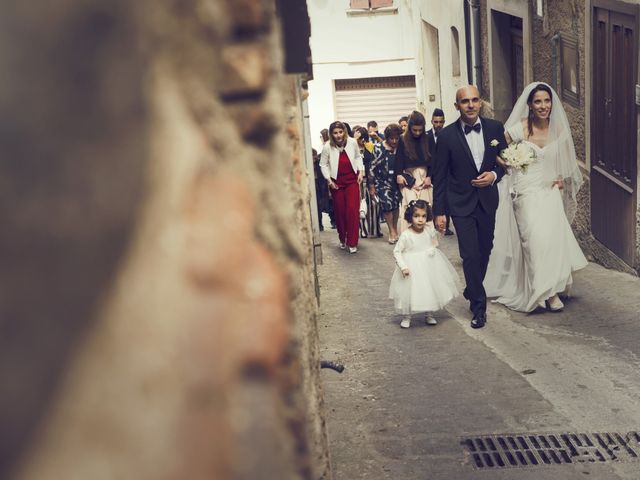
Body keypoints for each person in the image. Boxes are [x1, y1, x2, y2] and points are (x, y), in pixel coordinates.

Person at [484, 82, 587, 312]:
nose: (543, 106)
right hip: (525, 191)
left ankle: (550, 288)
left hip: (548, 191)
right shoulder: (520, 129)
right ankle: (545, 293)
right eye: (538, 101)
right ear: (530, 105)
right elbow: (495, 149)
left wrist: (560, 177)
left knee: (551, 241)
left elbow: (562, 159)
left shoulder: (558, 129)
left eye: (547, 101)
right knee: (534, 241)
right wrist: (508, 163)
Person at [433, 85, 507, 329]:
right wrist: (439, 212)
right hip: (460, 204)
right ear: (457, 106)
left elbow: (505, 163)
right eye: (465, 101)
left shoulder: (495, 129)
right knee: (470, 255)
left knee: (485, 250)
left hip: (487, 201)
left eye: (475, 100)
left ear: (480, 103)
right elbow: (440, 177)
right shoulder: (445, 137)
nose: (471, 105)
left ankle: (472, 287)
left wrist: (493, 177)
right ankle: (478, 307)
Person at [389, 200, 460, 328]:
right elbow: (397, 251)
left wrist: (439, 233)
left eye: (423, 216)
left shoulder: (428, 230)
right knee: (410, 291)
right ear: (410, 217)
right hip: (411, 267)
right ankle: (407, 316)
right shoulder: (406, 235)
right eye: (416, 216)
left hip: (428, 265)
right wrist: (403, 266)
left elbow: (433, 240)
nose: (420, 220)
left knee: (429, 288)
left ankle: (429, 314)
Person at [320, 121, 365, 253]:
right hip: (336, 183)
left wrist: (360, 172)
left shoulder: (352, 142)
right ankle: (342, 238)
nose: (338, 135)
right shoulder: (327, 147)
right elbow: (323, 164)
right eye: (335, 133)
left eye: (340, 132)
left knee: (352, 210)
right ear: (331, 134)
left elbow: (358, 157)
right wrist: (328, 180)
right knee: (340, 212)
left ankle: (352, 241)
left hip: (352, 180)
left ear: (344, 132)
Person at [395, 111, 433, 233]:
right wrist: (399, 175)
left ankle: (427, 241)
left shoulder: (428, 138)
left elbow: (434, 160)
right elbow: (398, 159)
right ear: (409, 127)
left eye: (420, 130)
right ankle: (409, 240)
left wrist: (430, 176)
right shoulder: (402, 139)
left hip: (424, 178)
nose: (417, 133)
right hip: (409, 179)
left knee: (426, 210)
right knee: (409, 210)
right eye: (414, 130)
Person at [369, 123, 403, 244]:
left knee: (395, 205)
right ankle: (392, 231)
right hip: (382, 182)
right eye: (391, 138)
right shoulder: (378, 148)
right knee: (387, 206)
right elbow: (372, 168)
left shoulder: (401, 147)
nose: (394, 141)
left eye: (396, 138)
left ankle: (394, 227)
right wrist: (372, 186)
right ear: (386, 137)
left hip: (397, 181)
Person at [427, 108, 454, 236]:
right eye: (436, 122)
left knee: (446, 198)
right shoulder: (426, 136)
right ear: (431, 121)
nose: (438, 125)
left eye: (440, 122)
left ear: (444, 122)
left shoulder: (448, 135)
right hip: (430, 173)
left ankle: (446, 226)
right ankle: (432, 225)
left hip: (445, 172)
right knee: (431, 200)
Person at [354, 126, 382, 238]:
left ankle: (375, 229)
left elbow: (383, 148)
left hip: (370, 179)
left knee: (375, 204)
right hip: (357, 180)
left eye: (364, 138)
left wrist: (377, 137)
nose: (362, 140)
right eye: (360, 138)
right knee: (361, 206)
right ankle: (363, 230)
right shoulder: (352, 148)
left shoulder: (370, 146)